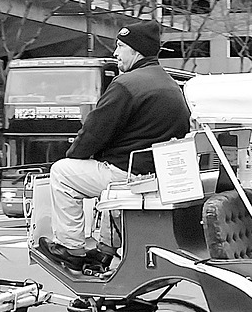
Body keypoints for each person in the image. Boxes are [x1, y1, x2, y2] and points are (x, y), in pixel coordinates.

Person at [38, 20, 191, 272]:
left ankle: (71, 248)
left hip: (129, 175)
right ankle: (103, 252)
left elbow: (93, 133)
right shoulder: (171, 85)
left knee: (62, 173)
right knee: (113, 186)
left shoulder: (126, 85)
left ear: (136, 50)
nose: (116, 53)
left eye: (120, 46)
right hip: (156, 175)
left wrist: (74, 156)